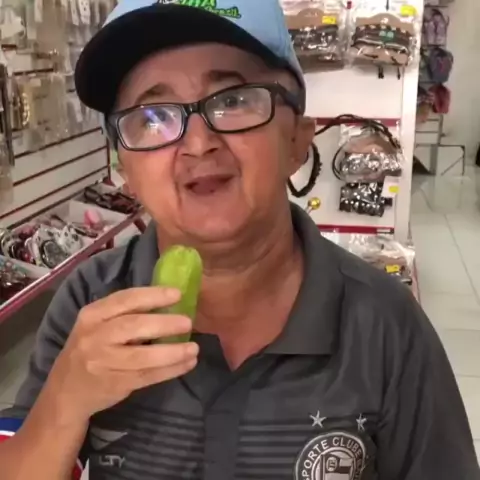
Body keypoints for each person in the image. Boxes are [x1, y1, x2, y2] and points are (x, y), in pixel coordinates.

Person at [1, 1, 479, 479]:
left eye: (232, 101)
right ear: (124, 167)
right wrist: (63, 404)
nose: (197, 143)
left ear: (298, 140)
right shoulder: (91, 301)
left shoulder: (385, 325)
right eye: (153, 116)